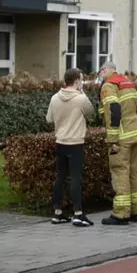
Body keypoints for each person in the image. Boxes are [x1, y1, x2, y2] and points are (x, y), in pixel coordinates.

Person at [46, 68, 95, 227]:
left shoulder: (54, 98)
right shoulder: (80, 99)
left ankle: (58, 212)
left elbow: (49, 119)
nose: (82, 82)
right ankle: (78, 214)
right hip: (75, 142)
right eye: (81, 80)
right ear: (76, 81)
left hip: (60, 142)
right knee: (75, 179)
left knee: (60, 177)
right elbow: (90, 113)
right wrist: (83, 93)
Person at [97, 61, 137, 226]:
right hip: (136, 133)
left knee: (120, 172)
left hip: (122, 137)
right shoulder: (127, 83)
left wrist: (112, 140)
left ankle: (121, 214)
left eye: (100, 72)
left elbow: (113, 112)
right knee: (133, 173)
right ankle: (135, 211)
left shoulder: (108, 86)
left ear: (105, 71)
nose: (99, 76)